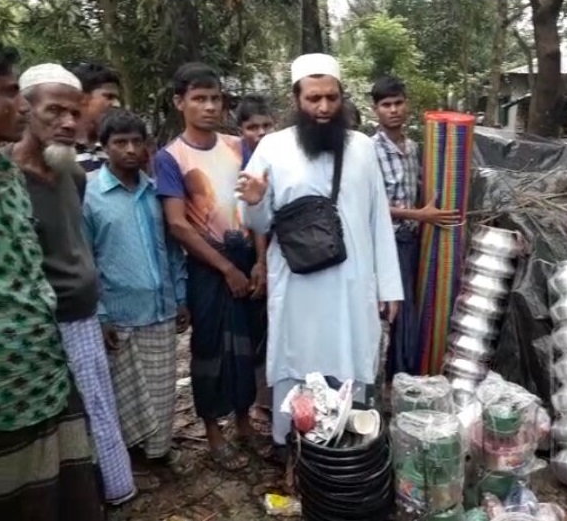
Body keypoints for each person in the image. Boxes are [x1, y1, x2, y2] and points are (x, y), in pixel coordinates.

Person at [236, 53, 404, 460]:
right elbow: (257, 221)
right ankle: (290, 443)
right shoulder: (273, 147)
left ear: (342, 97)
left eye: (331, 97)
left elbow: (378, 220)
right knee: (297, 357)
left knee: (352, 354)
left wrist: (389, 287)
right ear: (297, 99)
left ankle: (350, 440)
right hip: (298, 286)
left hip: (353, 283)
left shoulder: (362, 148)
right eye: (313, 98)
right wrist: (254, 202)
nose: (324, 107)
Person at [0, 31, 103, 521]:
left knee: (70, 498)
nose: (22, 107)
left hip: (46, 375)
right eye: (9, 93)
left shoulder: (7, 179)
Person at [8, 63, 135, 508]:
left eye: (74, 112)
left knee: (96, 406)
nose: (67, 122)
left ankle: (105, 493)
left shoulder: (73, 174)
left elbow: (75, 244)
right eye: (54, 111)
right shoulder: (6, 180)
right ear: (25, 109)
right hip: (42, 324)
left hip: (83, 316)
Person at [155, 62, 269, 471]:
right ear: (179, 102)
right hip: (208, 266)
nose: (208, 107)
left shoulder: (240, 147)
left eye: (215, 98)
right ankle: (212, 430)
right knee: (209, 347)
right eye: (199, 98)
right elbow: (178, 224)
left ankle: (243, 422)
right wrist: (226, 268)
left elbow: (255, 206)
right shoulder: (171, 157)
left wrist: (260, 261)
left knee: (247, 344)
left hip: (246, 258)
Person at [83, 109, 193, 486]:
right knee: (125, 396)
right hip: (119, 314)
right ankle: (130, 461)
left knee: (161, 392)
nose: (130, 150)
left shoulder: (155, 192)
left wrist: (181, 296)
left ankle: (158, 453)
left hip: (161, 309)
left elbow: (173, 250)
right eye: (120, 143)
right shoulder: (90, 196)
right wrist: (100, 315)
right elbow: (86, 259)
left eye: (136, 142)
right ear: (104, 147)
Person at [371, 75, 461, 378]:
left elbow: (418, 189)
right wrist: (420, 215)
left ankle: (402, 374)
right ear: (375, 110)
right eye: (386, 105)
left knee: (409, 307)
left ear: (406, 105)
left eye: (398, 103)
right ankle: (392, 377)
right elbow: (371, 206)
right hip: (386, 242)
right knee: (394, 309)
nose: (393, 110)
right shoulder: (370, 150)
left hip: (411, 240)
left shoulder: (412, 148)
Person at [235, 93, 274, 435]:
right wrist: (259, 261)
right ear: (240, 130)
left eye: (265, 126)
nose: (259, 133)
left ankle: (268, 398)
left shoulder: (279, 157)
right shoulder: (237, 160)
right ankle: (256, 402)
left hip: (279, 254)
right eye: (252, 127)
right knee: (253, 331)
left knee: (273, 328)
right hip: (245, 254)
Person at [72, 63, 121, 172]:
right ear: (82, 98)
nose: (117, 104)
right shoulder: (56, 152)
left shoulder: (114, 150)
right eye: (109, 97)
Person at [236, 94, 275, 168]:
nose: (262, 132)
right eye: (253, 128)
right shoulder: (235, 163)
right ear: (241, 132)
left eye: (267, 126)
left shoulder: (288, 155)